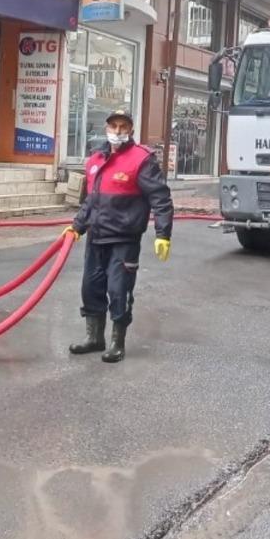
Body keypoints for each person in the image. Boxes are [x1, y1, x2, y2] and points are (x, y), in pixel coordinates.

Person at [64, 109, 173, 363]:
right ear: (106, 128)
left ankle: (117, 342)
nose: (118, 131)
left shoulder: (142, 160)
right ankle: (94, 338)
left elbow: (160, 198)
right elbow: (91, 199)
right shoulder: (96, 160)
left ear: (131, 130)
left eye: (123, 127)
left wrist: (163, 233)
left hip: (124, 239)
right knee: (91, 287)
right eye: (113, 126)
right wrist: (77, 226)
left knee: (118, 289)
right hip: (96, 236)